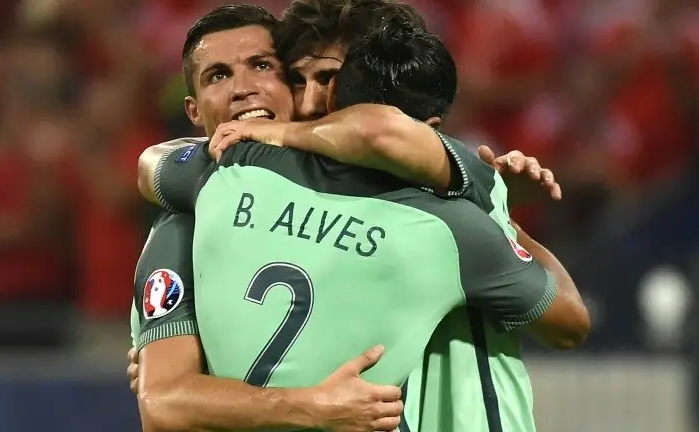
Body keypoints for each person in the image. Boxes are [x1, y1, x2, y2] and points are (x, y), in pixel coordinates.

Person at [132, 4, 589, 432]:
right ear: (192, 108)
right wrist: (495, 203)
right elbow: (167, 401)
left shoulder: (436, 207)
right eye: (298, 78)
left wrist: (493, 205)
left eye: (328, 79)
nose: (311, 103)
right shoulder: (198, 205)